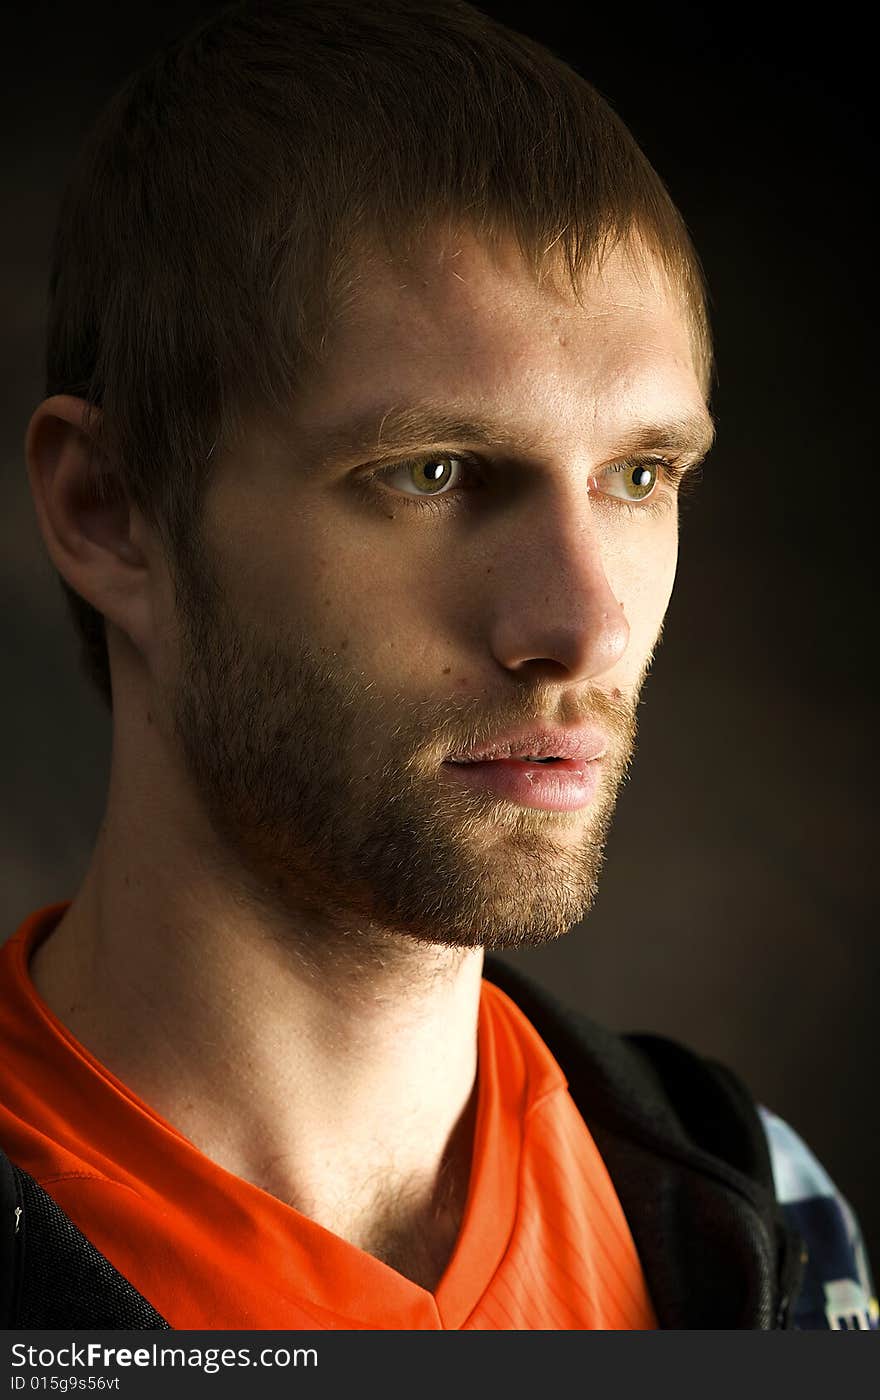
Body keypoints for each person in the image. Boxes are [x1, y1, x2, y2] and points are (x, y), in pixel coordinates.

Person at [0, 0, 874, 1331]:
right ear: (109, 510)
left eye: (641, 474)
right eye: (433, 473)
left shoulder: (769, 1219)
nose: (586, 629)